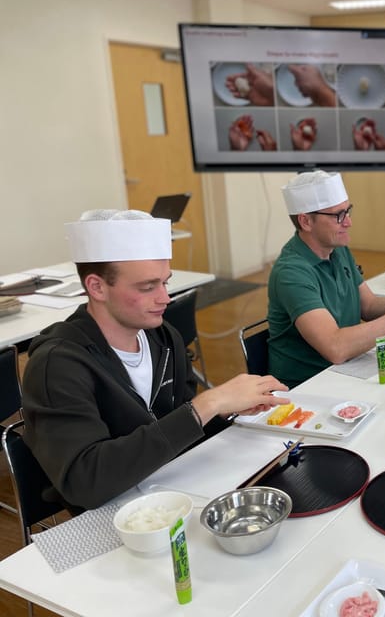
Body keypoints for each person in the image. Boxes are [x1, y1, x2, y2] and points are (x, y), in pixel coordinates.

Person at [22, 210, 288, 512]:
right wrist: (207, 404)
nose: (165, 298)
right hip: (115, 515)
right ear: (97, 287)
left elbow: (181, 424)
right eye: (148, 287)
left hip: (174, 489)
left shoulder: (163, 337)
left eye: (165, 282)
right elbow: (85, 483)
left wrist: (226, 412)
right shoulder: (57, 366)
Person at [267, 171, 385, 387]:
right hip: (307, 384)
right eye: (338, 216)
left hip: (347, 369)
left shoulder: (337, 249)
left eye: (348, 211)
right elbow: (336, 348)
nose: (349, 222)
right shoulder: (292, 272)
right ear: (306, 221)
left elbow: (368, 305)